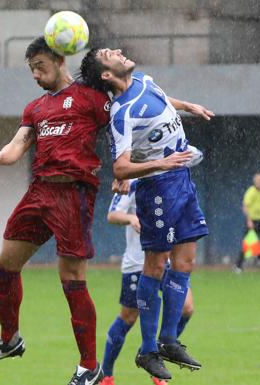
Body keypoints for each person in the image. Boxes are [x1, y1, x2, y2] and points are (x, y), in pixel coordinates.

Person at [0, 37, 113, 385]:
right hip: (39, 192)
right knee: (5, 265)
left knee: (72, 281)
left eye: (40, 66)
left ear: (60, 60)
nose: (35, 74)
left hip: (73, 194)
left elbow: (123, 126)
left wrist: (128, 170)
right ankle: (9, 340)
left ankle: (89, 367)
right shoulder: (36, 108)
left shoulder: (92, 99)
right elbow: (17, 145)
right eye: (31, 68)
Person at [79, 47, 214, 381]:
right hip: (158, 187)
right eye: (110, 53)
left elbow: (163, 100)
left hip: (182, 179)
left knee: (185, 262)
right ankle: (147, 350)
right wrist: (160, 163)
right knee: (155, 265)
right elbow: (121, 168)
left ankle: (169, 339)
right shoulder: (121, 113)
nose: (120, 51)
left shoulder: (144, 80)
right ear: (106, 75)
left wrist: (187, 106)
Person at [101, 178, 195, 385]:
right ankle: (105, 374)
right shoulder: (133, 182)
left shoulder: (175, 178)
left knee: (187, 308)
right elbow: (112, 215)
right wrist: (130, 218)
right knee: (128, 318)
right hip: (138, 263)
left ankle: (154, 354)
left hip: (167, 261)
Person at [233, 172, 260, 273]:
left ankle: (257, 257)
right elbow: (245, 206)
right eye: (258, 180)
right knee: (247, 245)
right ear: (254, 181)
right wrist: (249, 220)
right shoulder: (251, 191)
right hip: (252, 221)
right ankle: (237, 266)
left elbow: (256, 206)